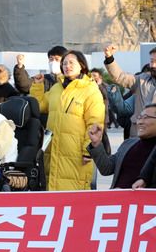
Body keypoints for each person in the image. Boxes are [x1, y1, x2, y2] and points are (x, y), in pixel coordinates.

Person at [30, 50, 105, 190]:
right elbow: (40, 105)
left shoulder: (90, 90)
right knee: (52, 194)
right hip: (53, 150)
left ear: (82, 65)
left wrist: (88, 150)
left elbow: (95, 122)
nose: (67, 66)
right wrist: (37, 86)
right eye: (64, 63)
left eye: (71, 62)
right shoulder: (56, 88)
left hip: (75, 153)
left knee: (73, 196)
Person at [87, 104, 156, 189]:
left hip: (144, 201)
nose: (140, 122)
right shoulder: (128, 144)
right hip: (117, 200)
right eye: (139, 117)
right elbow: (107, 168)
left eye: (146, 117)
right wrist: (96, 143)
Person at [104, 45, 156, 137]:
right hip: (140, 138)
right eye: (152, 61)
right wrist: (109, 58)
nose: (153, 65)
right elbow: (120, 76)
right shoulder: (141, 80)